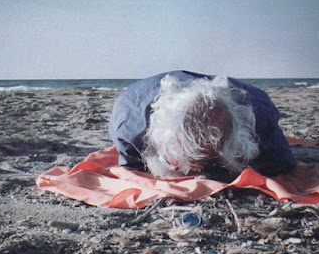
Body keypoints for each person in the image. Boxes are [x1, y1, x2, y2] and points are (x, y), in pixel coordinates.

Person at [108, 70, 296, 182]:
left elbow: (282, 162)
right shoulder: (128, 126)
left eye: (211, 161)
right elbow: (132, 168)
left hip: (236, 91)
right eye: (175, 163)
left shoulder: (261, 117)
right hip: (145, 91)